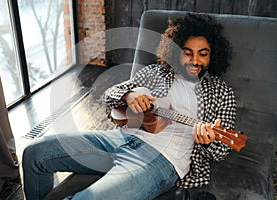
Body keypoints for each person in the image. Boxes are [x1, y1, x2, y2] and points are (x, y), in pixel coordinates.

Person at [22, 12, 236, 200]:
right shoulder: (155, 73)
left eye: (203, 53)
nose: (195, 60)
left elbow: (221, 153)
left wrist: (208, 141)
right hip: (121, 138)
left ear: (212, 55)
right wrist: (129, 95)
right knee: (34, 153)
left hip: (161, 160)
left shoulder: (222, 93)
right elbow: (109, 95)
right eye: (187, 52)